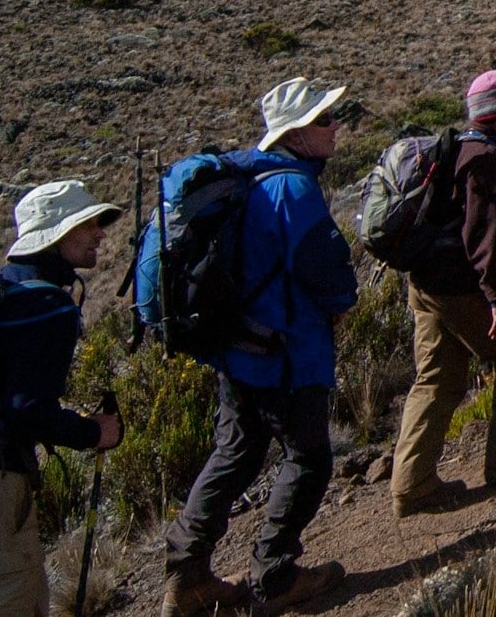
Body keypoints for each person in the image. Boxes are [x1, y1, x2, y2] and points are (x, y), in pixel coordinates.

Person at [162, 77, 357, 616]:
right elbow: (326, 271)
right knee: (310, 458)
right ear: (295, 135)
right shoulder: (292, 187)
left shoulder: (248, 179)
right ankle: (275, 576)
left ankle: (187, 575)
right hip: (288, 354)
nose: (334, 126)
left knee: (235, 452)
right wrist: (343, 299)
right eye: (323, 120)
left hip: (236, 349)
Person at [0, 183, 123, 617]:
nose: (99, 233)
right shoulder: (47, 305)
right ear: (57, 234)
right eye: (88, 223)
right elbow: (27, 410)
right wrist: (94, 432)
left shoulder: (0, 297)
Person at [390, 70, 496, 517]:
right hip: (458, 287)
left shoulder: (455, 149)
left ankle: (413, 486)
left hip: (425, 283)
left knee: (436, 379)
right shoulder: (485, 158)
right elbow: (483, 238)